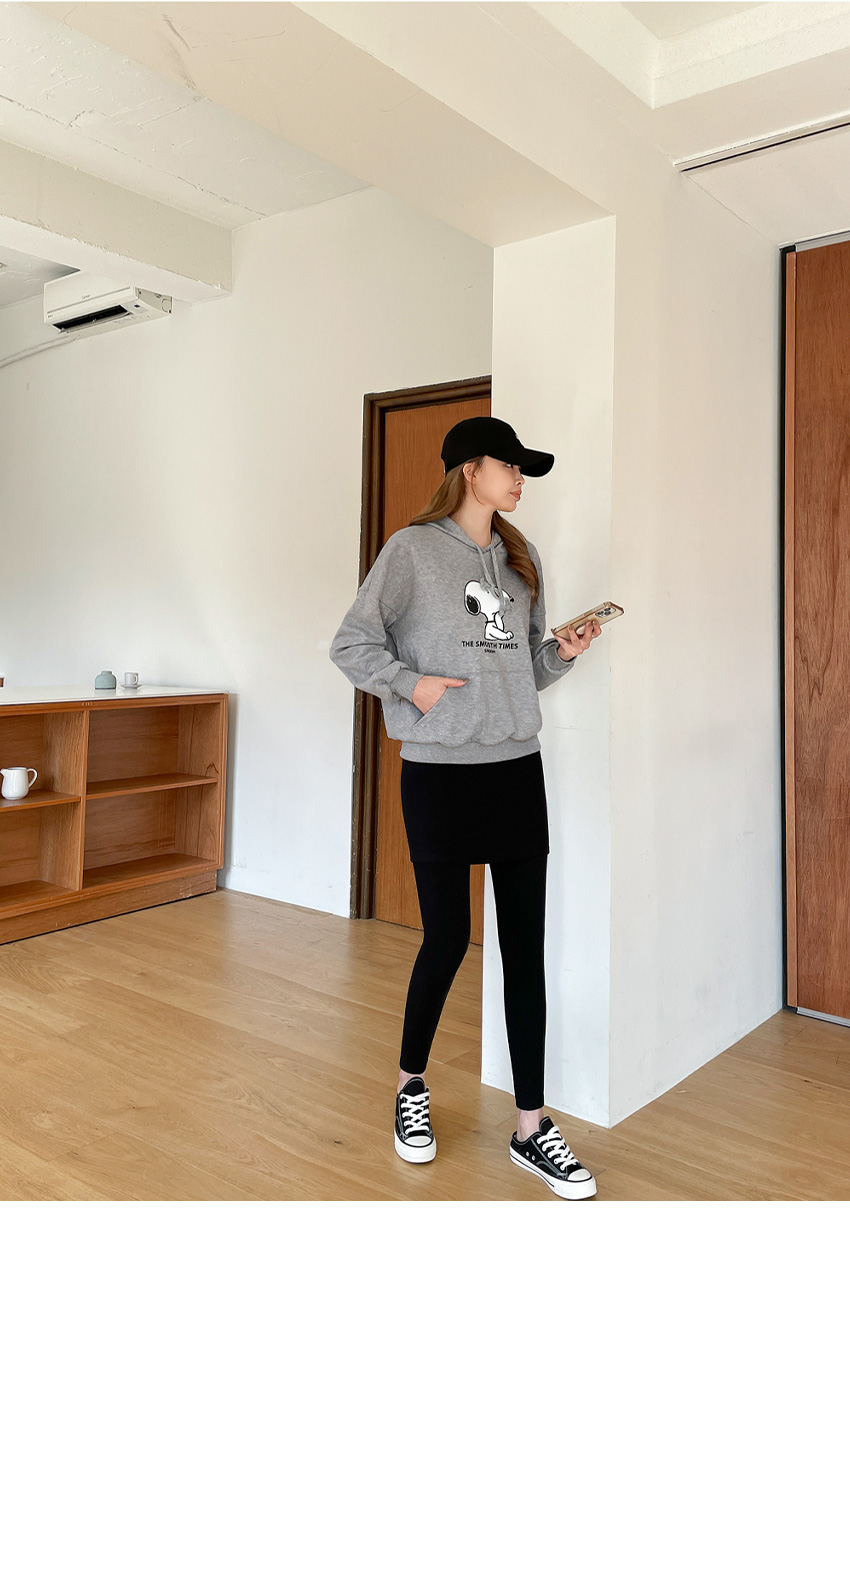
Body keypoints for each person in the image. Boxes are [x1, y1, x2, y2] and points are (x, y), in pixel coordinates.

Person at [330, 415, 601, 1199]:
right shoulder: (411, 551)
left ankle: (531, 1127)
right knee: (446, 938)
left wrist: (562, 654)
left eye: (522, 470)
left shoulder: (521, 558)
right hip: (440, 774)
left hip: (516, 769)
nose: (519, 480)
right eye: (509, 466)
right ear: (470, 470)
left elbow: (526, 668)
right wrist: (409, 684)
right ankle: (410, 1086)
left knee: (524, 948)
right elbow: (351, 644)